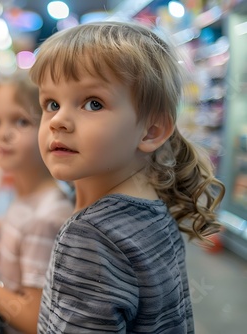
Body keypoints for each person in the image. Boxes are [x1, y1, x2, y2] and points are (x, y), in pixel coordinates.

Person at [29, 21, 225, 334]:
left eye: (93, 103)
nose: (59, 121)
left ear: (152, 131)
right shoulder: (154, 208)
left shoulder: (90, 237)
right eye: (51, 104)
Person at [0, 75, 74, 333]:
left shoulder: (44, 217)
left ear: (49, 127)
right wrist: (7, 248)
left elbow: (36, 322)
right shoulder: (29, 194)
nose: (3, 134)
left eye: (21, 121)